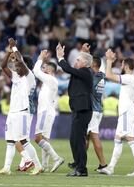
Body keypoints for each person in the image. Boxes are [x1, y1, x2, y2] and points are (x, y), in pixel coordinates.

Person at [0, 38, 43, 175]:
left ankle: (38, 165)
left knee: (23, 140)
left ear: (24, 65)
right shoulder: (15, 76)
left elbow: (20, 61)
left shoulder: (29, 76)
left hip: (22, 112)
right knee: (10, 140)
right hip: (12, 112)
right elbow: (3, 66)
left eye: (15, 61)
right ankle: (6, 168)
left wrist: (15, 48)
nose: (14, 63)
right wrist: (9, 52)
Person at [100, 49, 134, 177]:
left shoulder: (129, 78)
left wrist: (109, 61)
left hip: (127, 113)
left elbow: (109, 76)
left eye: (122, 64)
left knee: (131, 140)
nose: (120, 66)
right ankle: (111, 167)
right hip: (126, 112)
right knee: (118, 139)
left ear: (126, 66)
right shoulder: (131, 79)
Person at [56, 43, 93, 177]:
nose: (75, 62)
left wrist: (60, 57)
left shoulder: (85, 71)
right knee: (74, 139)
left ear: (85, 63)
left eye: (78, 60)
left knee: (79, 140)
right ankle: (78, 165)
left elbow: (67, 68)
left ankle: (82, 169)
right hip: (79, 109)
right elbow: (73, 69)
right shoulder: (83, 71)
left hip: (83, 109)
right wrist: (83, 52)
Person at [33, 49, 64, 172]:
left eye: (45, 67)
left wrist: (40, 57)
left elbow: (35, 71)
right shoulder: (48, 81)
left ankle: (56, 158)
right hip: (48, 112)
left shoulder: (50, 79)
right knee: (44, 139)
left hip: (45, 112)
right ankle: (44, 165)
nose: (43, 68)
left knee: (37, 138)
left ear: (50, 70)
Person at [81, 43, 107, 172]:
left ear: (93, 65)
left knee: (94, 135)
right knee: (87, 137)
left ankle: (103, 164)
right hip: (96, 109)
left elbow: (88, 85)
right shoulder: (100, 75)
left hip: (93, 110)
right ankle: (80, 161)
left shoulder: (96, 76)